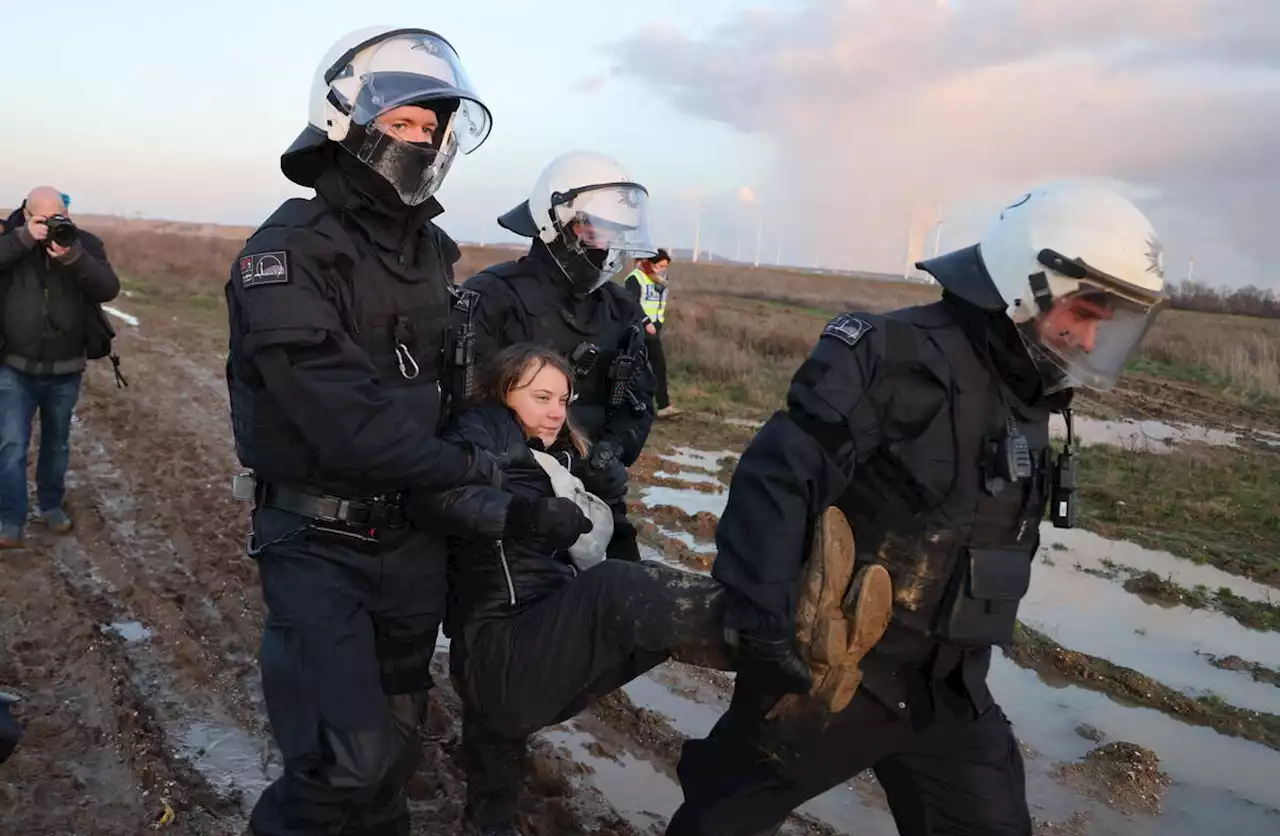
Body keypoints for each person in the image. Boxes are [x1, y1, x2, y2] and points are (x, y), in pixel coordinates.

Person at [664, 181, 1170, 836]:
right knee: (720, 819)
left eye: (1107, 322)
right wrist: (762, 622)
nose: (1091, 339)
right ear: (1029, 283)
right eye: (1085, 313)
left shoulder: (1032, 393)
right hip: (839, 674)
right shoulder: (893, 353)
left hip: (951, 693)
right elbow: (776, 479)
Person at [222, 27, 585, 835]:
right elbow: (346, 420)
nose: (420, 141)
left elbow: (463, 394)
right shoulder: (286, 255)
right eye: (403, 124)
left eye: (432, 128)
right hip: (319, 545)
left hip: (413, 546)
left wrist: (521, 467)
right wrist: (485, 479)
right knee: (338, 766)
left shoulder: (432, 255)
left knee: (393, 760)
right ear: (344, 121)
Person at [413, 343, 893, 835]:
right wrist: (524, 515)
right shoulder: (483, 428)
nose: (558, 412)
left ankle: (795, 672)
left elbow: (612, 559)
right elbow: (444, 495)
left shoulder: (557, 461)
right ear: (502, 392)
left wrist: (611, 506)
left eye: (564, 399)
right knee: (617, 590)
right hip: (503, 655)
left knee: (494, 794)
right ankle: (793, 622)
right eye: (542, 397)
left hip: (524, 665)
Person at [464, 150, 660, 564]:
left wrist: (610, 452)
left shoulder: (622, 309)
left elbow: (639, 403)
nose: (607, 248)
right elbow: (467, 406)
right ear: (557, 224)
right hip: (514, 501)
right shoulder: (494, 296)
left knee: (621, 607)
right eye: (597, 232)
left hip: (596, 498)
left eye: (617, 235)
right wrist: (540, 463)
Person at [0, 187, 120, 547]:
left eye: (60, 218)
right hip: (13, 366)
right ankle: (10, 520)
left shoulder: (84, 244)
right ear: (26, 213)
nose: (54, 224)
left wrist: (74, 257)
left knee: (56, 445)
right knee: (10, 444)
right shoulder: (11, 241)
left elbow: (108, 289)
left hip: (65, 369)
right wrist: (23, 239)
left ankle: (51, 506)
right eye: (44, 218)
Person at [624, 249, 680, 417]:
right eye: (660, 266)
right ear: (650, 263)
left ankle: (663, 406)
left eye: (665, 266)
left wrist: (657, 323)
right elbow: (632, 304)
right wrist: (646, 322)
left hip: (654, 330)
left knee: (658, 367)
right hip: (639, 330)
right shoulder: (635, 278)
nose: (663, 269)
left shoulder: (660, 282)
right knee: (635, 368)